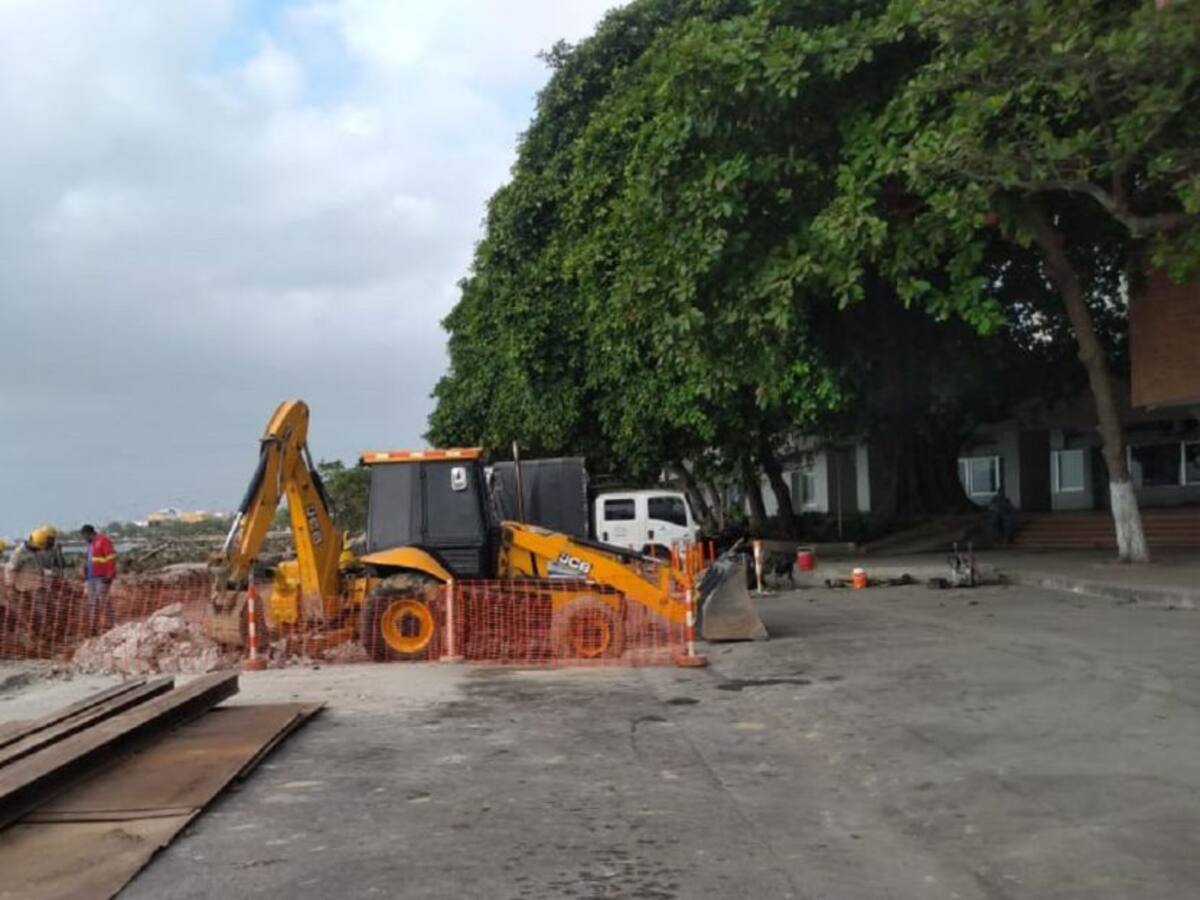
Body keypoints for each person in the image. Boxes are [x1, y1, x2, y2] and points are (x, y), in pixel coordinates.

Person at [80, 524, 116, 633]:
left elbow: (111, 558)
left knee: (103, 601)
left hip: (102, 577)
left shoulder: (103, 541)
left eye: (84, 536)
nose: (84, 538)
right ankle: (93, 628)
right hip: (91, 578)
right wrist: (84, 572)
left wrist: (110, 574)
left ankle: (109, 625)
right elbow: (88, 560)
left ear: (89, 533)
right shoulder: (90, 544)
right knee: (92, 603)